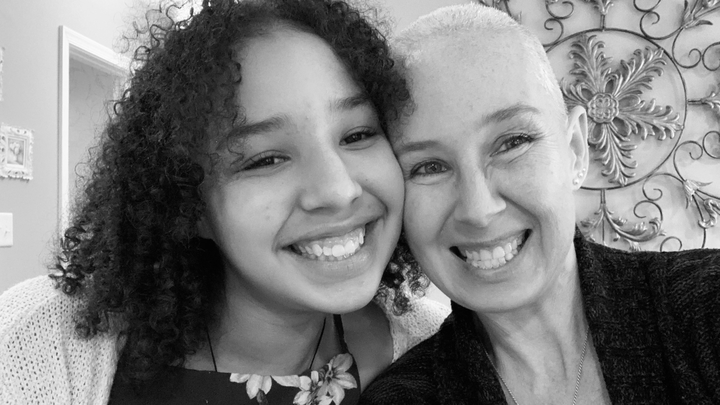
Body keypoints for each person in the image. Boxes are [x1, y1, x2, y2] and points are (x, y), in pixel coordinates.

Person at [0, 1, 449, 403]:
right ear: (189, 204)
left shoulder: (442, 350)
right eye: (266, 159)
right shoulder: (39, 343)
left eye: (358, 134)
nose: (339, 190)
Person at [359, 4, 720, 405]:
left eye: (512, 143)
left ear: (575, 149)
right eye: (429, 167)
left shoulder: (706, 305)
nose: (478, 210)